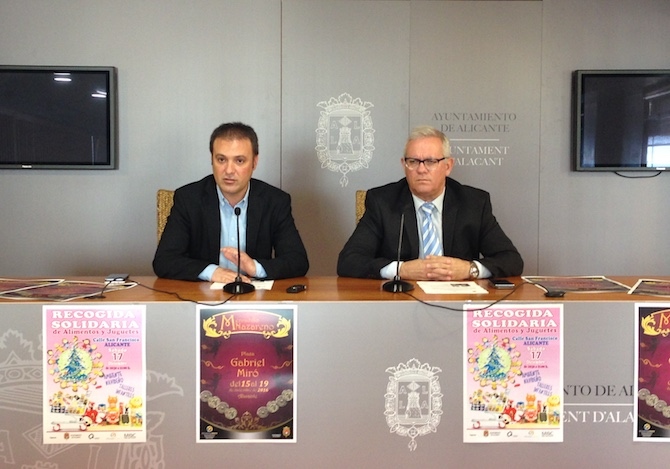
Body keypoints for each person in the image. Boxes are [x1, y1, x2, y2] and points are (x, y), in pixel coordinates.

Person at [337, 125, 522, 281]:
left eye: (431, 162)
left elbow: (511, 259)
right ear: (404, 165)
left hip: (457, 300)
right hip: (401, 300)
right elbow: (348, 261)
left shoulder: (473, 203)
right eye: (413, 161)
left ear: (448, 166)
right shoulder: (382, 202)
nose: (421, 169)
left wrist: (469, 269)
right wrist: (401, 270)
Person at [153, 122, 309, 282]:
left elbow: (297, 261)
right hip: (203, 293)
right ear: (212, 160)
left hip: (254, 293)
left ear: (254, 162)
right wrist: (212, 272)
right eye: (221, 159)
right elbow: (164, 260)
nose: (228, 170)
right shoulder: (188, 199)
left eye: (239, 161)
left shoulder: (274, 201)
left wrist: (255, 268)